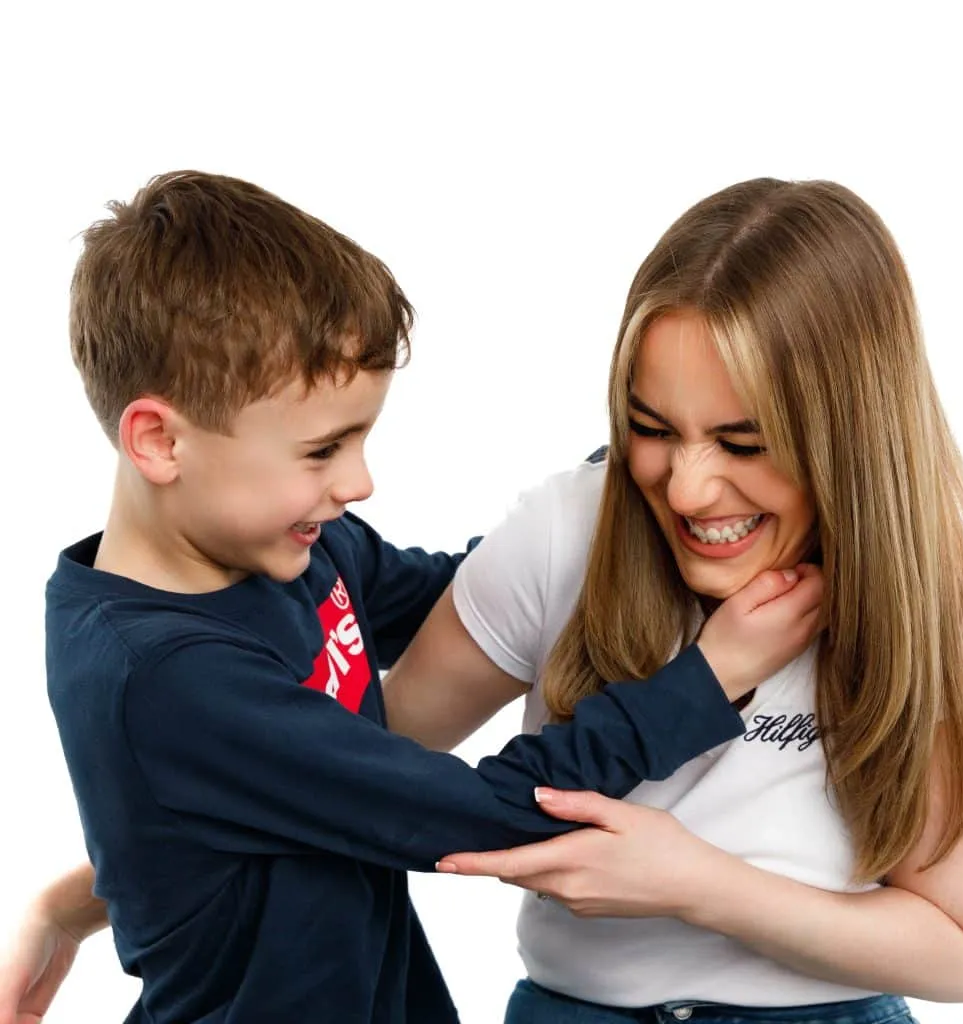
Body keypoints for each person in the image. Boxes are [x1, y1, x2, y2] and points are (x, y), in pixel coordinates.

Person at [0, 171, 822, 1024]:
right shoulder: (173, 678)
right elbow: (487, 815)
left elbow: (480, 592)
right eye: (322, 451)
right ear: (160, 440)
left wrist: (639, 477)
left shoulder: (287, 548)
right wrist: (708, 676)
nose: (357, 482)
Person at [389, 179, 963, 1021]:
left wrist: (696, 886)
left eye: (742, 441)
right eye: (651, 429)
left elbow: (962, 953)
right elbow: (365, 771)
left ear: (851, 434)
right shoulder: (563, 529)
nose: (685, 490)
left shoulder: (931, 579)